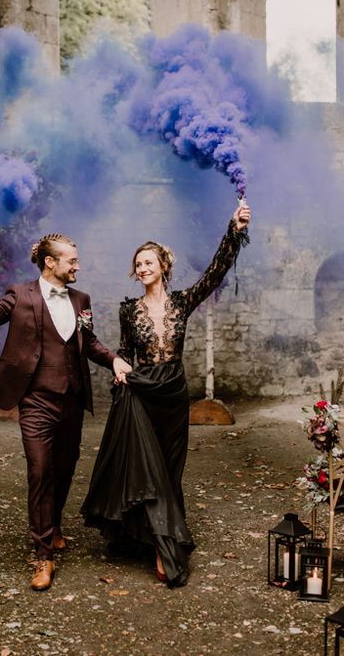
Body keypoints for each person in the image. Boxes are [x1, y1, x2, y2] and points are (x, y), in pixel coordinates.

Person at [0, 234, 132, 591]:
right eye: (71, 260)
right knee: (40, 470)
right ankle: (43, 555)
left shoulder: (81, 300)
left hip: (71, 398)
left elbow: (88, 343)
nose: (77, 266)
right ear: (50, 263)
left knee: (65, 466)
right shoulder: (19, 294)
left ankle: (54, 523)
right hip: (35, 401)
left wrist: (115, 359)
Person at [81, 203, 251, 587]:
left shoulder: (182, 302)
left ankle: (154, 533)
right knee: (149, 470)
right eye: (138, 264)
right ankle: (165, 547)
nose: (142, 268)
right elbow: (126, 351)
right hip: (142, 391)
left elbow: (215, 273)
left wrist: (235, 229)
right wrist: (120, 371)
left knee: (169, 472)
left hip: (173, 393)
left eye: (148, 262)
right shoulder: (129, 310)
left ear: (163, 267)